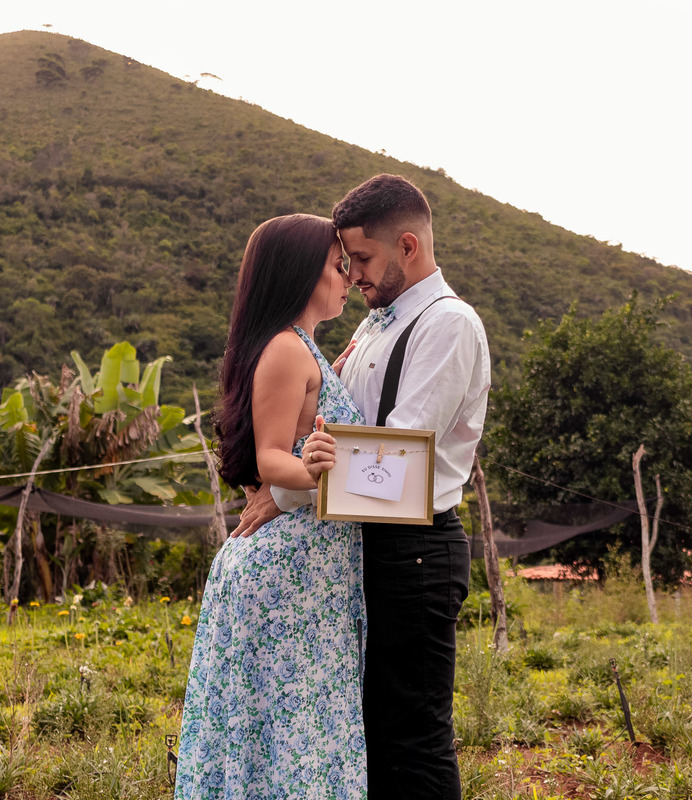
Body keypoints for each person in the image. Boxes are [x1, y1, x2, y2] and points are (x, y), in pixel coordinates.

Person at [236, 174, 491, 800]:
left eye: (364, 259)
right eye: (345, 262)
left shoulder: (447, 324)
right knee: (367, 732)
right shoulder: (376, 325)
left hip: (415, 550)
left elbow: (397, 460)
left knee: (413, 737)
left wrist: (284, 492)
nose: (354, 276)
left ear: (408, 246)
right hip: (362, 546)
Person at [175, 214, 368, 799]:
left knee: (285, 734)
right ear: (301, 274)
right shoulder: (286, 348)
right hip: (291, 573)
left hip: (306, 574)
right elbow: (271, 459)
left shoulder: (301, 348)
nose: (347, 277)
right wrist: (313, 468)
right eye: (337, 266)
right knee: (291, 736)